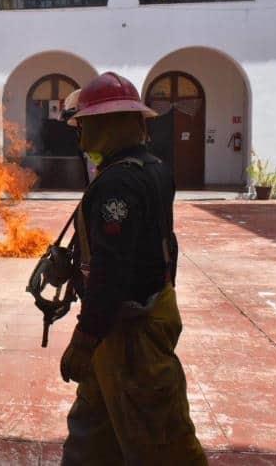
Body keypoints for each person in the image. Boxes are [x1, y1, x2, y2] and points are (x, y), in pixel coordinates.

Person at [59, 72, 207, 465]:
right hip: (133, 320)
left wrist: (84, 339)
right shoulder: (153, 167)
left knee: (162, 442)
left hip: (127, 334)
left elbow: (111, 270)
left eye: (84, 123)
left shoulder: (117, 183)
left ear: (108, 124)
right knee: (91, 436)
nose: (79, 133)